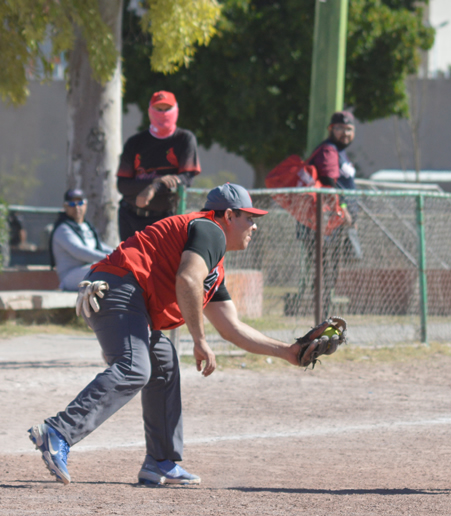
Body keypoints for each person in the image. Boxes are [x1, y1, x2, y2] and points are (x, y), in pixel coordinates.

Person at [28, 183, 302, 486]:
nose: (254, 226)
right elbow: (187, 279)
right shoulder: (210, 229)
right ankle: (59, 431)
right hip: (118, 287)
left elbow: (232, 328)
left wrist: (288, 352)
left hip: (129, 296)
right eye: (249, 217)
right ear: (228, 215)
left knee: (163, 361)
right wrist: (199, 341)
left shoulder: (213, 261)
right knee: (135, 366)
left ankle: (160, 461)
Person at [293, 110, 360, 316]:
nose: (345, 134)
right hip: (324, 222)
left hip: (335, 222)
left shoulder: (340, 152)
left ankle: (324, 315)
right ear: (331, 129)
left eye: (349, 129)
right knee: (323, 270)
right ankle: (319, 317)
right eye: (340, 129)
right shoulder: (329, 150)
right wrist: (344, 210)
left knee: (331, 270)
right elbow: (330, 183)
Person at [116, 91, 200, 241]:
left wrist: (155, 188)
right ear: (150, 111)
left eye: (167, 109)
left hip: (165, 219)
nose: (163, 114)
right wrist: (155, 183)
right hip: (131, 217)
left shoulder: (184, 139)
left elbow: (186, 179)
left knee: (163, 264)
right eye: (158, 109)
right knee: (131, 264)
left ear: (176, 110)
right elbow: (122, 185)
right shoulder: (135, 142)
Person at [49, 189, 113, 291]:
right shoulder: (63, 229)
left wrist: (121, 253)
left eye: (80, 203)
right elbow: (80, 251)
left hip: (88, 269)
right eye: (71, 203)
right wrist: (111, 258)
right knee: (106, 268)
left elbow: (101, 246)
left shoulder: (86, 226)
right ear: (65, 206)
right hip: (70, 276)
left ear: (86, 204)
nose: (77, 207)